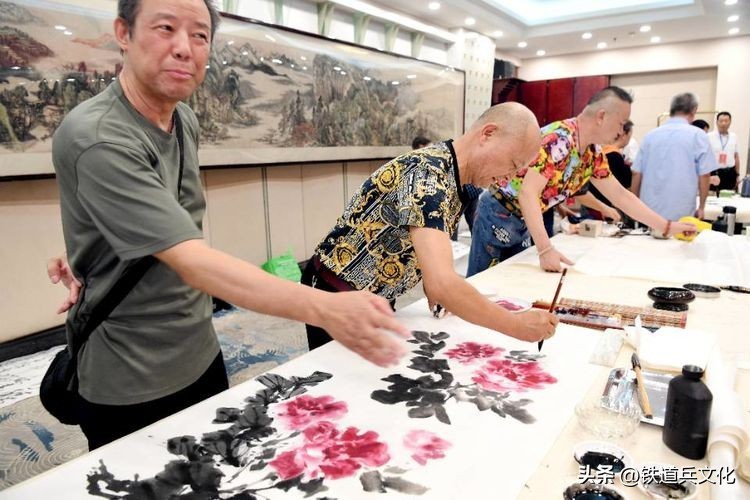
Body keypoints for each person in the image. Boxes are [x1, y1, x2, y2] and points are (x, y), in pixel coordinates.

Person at [48, 0, 408, 450]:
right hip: (130, 374)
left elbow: (160, 214)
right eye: (165, 28)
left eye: (200, 35)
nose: (185, 48)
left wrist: (93, 246)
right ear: (124, 33)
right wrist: (327, 308)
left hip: (200, 349)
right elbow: (191, 260)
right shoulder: (96, 135)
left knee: (217, 467)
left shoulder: (183, 118)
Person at [302, 102, 559, 351]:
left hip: (377, 294)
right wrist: (517, 325)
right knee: (345, 372)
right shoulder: (426, 174)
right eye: (513, 164)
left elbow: (419, 235)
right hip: (336, 293)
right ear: (488, 134)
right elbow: (443, 284)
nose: (508, 179)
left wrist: (430, 274)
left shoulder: (456, 175)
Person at [468, 87, 696, 275]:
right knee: (482, 280)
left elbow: (621, 196)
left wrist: (666, 227)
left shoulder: (592, 153)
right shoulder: (560, 139)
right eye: (621, 123)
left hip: (523, 219)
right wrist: (545, 249)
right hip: (499, 212)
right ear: (601, 116)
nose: (621, 131)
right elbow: (528, 193)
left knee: (510, 280)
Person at [631, 93, 718, 220]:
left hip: (648, 211)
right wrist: (701, 207)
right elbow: (704, 175)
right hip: (681, 211)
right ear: (694, 110)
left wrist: (635, 205)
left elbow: (636, 173)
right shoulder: (698, 136)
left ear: (671, 110)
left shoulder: (650, 136)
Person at [707, 111, 742, 191]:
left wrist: (737, 175)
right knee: (713, 196)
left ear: (730, 122)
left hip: (730, 172)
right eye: (721, 121)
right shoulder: (709, 136)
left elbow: (736, 156)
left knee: (729, 195)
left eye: (726, 121)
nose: (723, 123)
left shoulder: (734, 136)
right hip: (714, 173)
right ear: (717, 122)